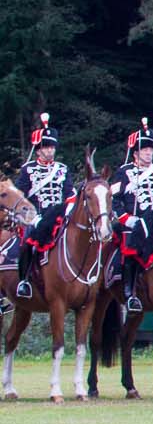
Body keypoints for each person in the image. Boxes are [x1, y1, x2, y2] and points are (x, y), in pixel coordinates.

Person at [110, 119, 153, 315]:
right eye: (144, 149)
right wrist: (126, 218)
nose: (148, 153)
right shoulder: (124, 172)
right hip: (134, 220)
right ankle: (129, 291)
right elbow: (115, 200)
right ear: (135, 152)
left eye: (150, 149)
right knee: (132, 240)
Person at [12, 113, 71, 301]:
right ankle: (24, 281)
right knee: (28, 242)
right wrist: (31, 216)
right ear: (38, 150)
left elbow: (70, 193)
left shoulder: (62, 168)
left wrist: (69, 209)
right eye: (46, 147)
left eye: (52, 147)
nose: (50, 151)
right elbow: (19, 196)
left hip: (59, 215)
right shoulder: (28, 169)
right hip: (35, 216)